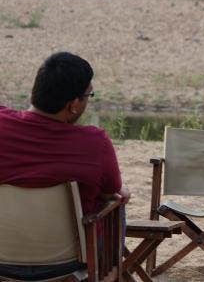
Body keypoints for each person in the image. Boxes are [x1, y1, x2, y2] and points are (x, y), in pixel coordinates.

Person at [0, 52, 129, 279]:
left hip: (2, 260)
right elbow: (111, 193)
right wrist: (121, 193)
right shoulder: (95, 143)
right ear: (74, 104)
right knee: (117, 204)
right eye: (90, 95)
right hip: (68, 263)